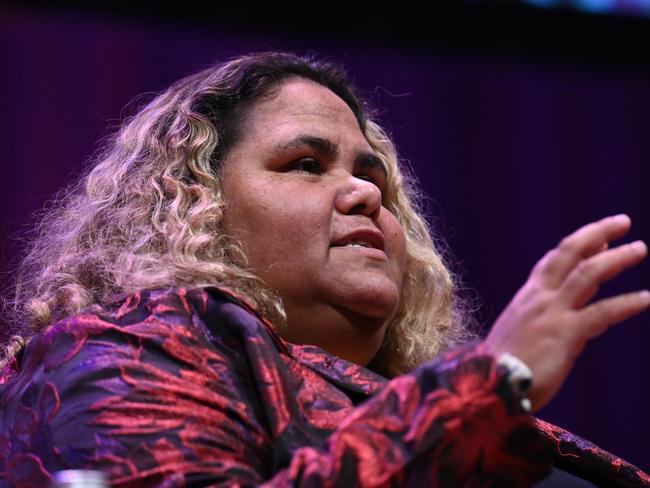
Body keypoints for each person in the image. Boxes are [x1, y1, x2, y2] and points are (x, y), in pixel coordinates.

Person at [0, 51, 648, 487]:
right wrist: (486, 389)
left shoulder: (402, 396)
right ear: (200, 206)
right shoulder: (110, 353)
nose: (366, 194)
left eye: (373, 177)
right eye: (306, 165)